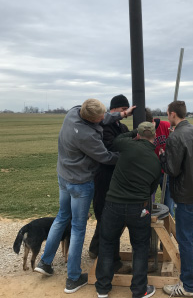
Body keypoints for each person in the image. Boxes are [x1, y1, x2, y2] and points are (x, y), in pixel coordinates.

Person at [34, 98, 135, 294]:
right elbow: (105, 157)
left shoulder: (74, 112)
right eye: (99, 118)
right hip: (80, 183)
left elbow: (103, 117)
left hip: (63, 176)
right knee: (78, 228)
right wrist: (129, 156)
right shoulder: (87, 136)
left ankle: (45, 262)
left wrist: (122, 114)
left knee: (62, 217)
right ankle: (73, 278)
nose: (102, 120)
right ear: (91, 120)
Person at [95, 122, 162, 298]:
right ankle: (139, 290)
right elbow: (152, 189)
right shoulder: (155, 161)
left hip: (113, 205)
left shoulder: (127, 144)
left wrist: (134, 132)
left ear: (138, 135)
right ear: (154, 137)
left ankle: (102, 288)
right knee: (140, 248)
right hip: (139, 208)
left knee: (107, 244)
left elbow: (117, 139)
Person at [160, 101, 193, 297]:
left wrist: (164, 157)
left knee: (185, 239)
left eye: (168, 114)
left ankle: (188, 286)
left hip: (186, 195)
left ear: (173, 114)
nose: (167, 116)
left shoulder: (176, 137)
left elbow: (172, 170)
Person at [89, 94, 130, 270]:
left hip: (117, 178)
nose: (125, 114)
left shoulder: (122, 126)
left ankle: (95, 249)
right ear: (113, 110)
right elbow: (111, 148)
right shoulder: (103, 127)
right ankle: (113, 263)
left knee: (107, 218)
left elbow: (129, 141)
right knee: (108, 218)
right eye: (123, 110)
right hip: (104, 178)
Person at [145, 108, 174, 216]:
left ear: (152, 121)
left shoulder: (166, 126)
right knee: (148, 206)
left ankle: (168, 231)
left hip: (166, 172)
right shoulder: (142, 133)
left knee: (168, 206)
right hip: (151, 174)